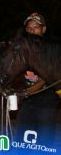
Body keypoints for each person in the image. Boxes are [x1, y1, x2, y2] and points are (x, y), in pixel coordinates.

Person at [16, 12, 60, 145]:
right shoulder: (24, 50)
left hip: (46, 103)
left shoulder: (51, 49)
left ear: (44, 29)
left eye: (36, 26)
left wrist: (29, 91)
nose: (31, 30)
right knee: (23, 142)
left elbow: (49, 75)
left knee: (44, 144)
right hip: (27, 103)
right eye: (29, 28)